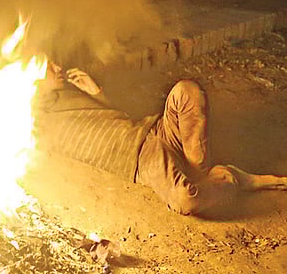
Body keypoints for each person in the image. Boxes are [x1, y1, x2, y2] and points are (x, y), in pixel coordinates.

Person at [35, 64, 287, 216]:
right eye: (48, 64)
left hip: (155, 129)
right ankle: (231, 178)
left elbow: (112, 114)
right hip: (141, 159)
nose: (58, 66)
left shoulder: (67, 93)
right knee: (186, 199)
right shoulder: (33, 121)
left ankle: (199, 173)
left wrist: (96, 92)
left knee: (187, 90)